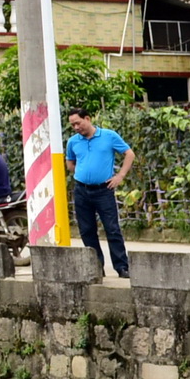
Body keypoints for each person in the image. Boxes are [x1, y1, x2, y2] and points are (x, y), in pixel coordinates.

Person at [63, 105, 133, 278]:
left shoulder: (108, 136)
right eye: (73, 125)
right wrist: (84, 173)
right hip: (81, 190)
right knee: (87, 230)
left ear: (87, 119)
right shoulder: (73, 141)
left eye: (78, 123)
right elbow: (70, 163)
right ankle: (96, 267)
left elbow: (129, 154)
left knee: (112, 228)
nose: (76, 128)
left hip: (104, 190)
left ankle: (121, 266)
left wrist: (120, 176)